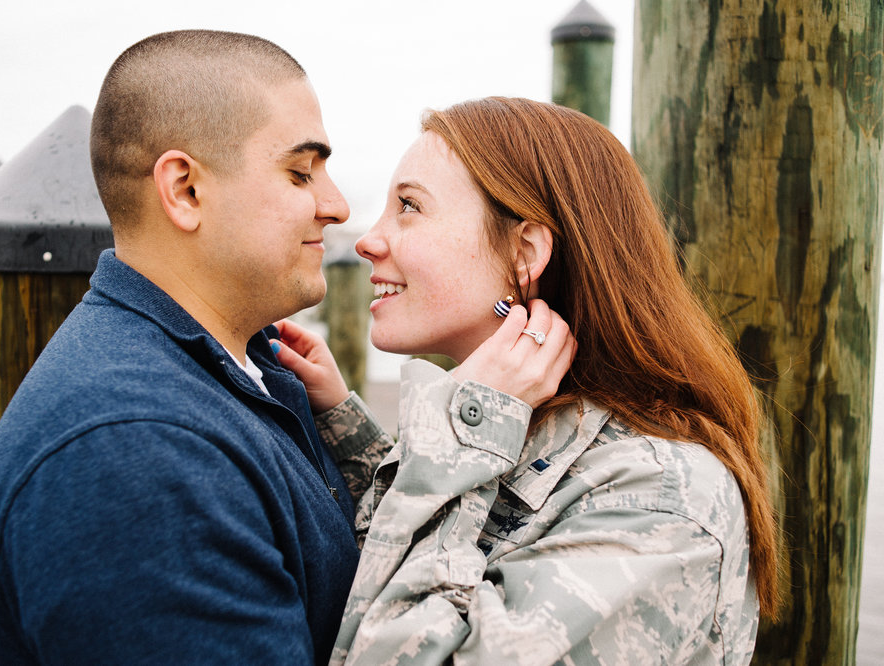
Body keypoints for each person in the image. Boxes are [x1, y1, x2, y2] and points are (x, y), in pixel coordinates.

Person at [273, 97, 780, 664]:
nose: (367, 239)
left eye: (409, 206)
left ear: (526, 252)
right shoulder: (531, 423)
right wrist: (348, 427)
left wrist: (463, 430)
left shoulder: (658, 501)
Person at [0, 30, 383, 664]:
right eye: (301, 172)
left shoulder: (247, 364)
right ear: (185, 190)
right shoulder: (137, 456)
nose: (336, 204)